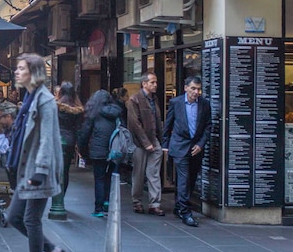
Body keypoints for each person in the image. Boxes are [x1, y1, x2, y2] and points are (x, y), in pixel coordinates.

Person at [4, 53, 68, 252]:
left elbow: (48, 139)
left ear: (34, 72)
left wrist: (40, 171)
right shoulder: (30, 97)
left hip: (38, 171)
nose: (17, 72)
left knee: (30, 219)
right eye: (17, 69)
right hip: (26, 169)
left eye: (21, 68)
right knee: (14, 217)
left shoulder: (45, 100)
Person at [162, 76, 211, 227]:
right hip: (179, 146)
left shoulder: (204, 104)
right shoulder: (175, 103)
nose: (196, 92)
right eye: (193, 89)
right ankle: (186, 212)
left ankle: (179, 206)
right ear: (185, 88)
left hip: (196, 148)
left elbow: (208, 126)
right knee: (183, 179)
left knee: (191, 178)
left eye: (198, 89)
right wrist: (165, 145)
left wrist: (201, 144)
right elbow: (168, 124)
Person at [77, 89, 122, 217]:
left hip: (98, 150)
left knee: (99, 178)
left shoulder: (93, 114)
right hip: (114, 149)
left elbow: (85, 134)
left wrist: (83, 151)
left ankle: (98, 208)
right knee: (109, 177)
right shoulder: (116, 113)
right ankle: (107, 202)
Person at [127, 72, 164, 216]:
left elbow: (158, 121)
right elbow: (134, 123)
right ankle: (137, 201)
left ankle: (155, 203)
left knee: (153, 173)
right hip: (140, 142)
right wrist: (145, 142)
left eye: (155, 82)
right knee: (139, 173)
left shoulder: (154, 99)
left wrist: (160, 141)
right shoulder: (134, 99)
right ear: (144, 84)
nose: (155, 85)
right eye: (152, 82)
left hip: (154, 140)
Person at [55, 82, 83, 212]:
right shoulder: (77, 109)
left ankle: (56, 199)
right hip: (70, 141)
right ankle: (61, 198)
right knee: (65, 171)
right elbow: (78, 129)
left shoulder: (55, 106)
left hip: (56, 140)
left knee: (56, 170)